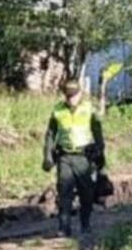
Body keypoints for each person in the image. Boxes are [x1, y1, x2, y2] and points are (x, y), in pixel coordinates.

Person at [43, 79, 106, 237]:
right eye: (68, 96)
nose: (71, 99)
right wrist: (47, 156)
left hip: (83, 157)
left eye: (73, 95)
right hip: (64, 156)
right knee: (64, 191)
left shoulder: (89, 109)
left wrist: (100, 153)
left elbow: (97, 132)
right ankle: (64, 228)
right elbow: (50, 134)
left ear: (80, 94)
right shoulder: (58, 110)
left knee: (86, 193)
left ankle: (85, 225)